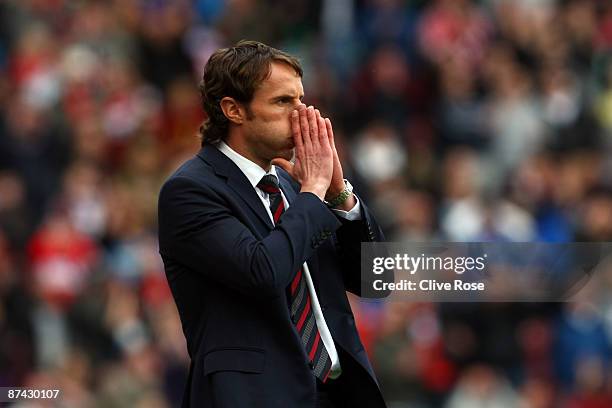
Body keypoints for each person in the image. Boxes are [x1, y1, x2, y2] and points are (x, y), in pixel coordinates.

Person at [158, 40, 389, 408]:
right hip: (256, 397)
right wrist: (313, 192)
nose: (302, 114)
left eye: (301, 99)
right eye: (283, 102)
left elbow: (376, 280)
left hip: (340, 395)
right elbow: (263, 270)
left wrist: (339, 197)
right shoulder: (190, 191)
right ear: (234, 110)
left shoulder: (295, 186)